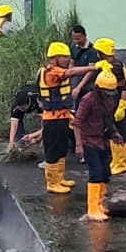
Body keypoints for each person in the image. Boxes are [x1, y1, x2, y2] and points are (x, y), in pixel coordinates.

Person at [38, 42, 99, 194]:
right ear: (54, 58)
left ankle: (60, 179)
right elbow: (70, 73)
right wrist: (92, 68)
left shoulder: (59, 70)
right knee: (53, 151)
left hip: (63, 116)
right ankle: (52, 183)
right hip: (52, 119)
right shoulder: (51, 72)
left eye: (67, 57)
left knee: (61, 149)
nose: (67, 59)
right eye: (63, 57)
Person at [74, 66, 123, 222]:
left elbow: (108, 119)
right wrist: (78, 145)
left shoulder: (109, 101)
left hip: (102, 140)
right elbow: (77, 123)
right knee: (95, 172)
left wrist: (114, 133)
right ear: (98, 89)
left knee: (105, 173)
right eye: (106, 92)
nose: (108, 95)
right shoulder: (88, 100)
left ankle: (101, 203)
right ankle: (92, 209)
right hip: (88, 140)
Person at [93, 37, 126, 176]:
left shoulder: (116, 66)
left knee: (118, 130)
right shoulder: (106, 65)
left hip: (118, 101)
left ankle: (121, 163)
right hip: (110, 102)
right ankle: (116, 160)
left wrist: (122, 106)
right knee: (111, 131)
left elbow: (125, 87)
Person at [7, 83, 41, 153]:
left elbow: (47, 124)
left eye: (23, 108)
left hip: (37, 92)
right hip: (24, 93)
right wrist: (11, 142)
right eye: (19, 108)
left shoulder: (38, 100)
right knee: (18, 122)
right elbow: (14, 125)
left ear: (28, 103)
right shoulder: (15, 107)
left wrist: (37, 138)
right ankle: (21, 145)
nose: (21, 110)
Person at [68, 25, 97, 102]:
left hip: (88, 81)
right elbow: (72, 63)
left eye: (78, 39)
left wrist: (79, 87)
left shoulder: (92, 50)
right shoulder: (73, 46)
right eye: (74, 39)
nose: (76, 41)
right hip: (76, 79)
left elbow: (91, 70)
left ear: (84, 36)